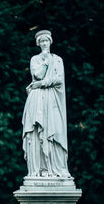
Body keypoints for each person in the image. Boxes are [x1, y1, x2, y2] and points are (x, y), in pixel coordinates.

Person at [22, 30, 71, 177]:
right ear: (38, 44)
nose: (44, 44)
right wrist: (44, 63)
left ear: (50, 42)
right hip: (36, 99)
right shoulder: (35, 59)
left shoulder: (57, 60)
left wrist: (40, 84)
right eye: (41, 41)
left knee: (55, 131)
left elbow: (59, 80)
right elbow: (37, 75)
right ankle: (40, 169)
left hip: (52, 100)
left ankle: (56, 168)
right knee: (36, 133)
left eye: (46, 41)